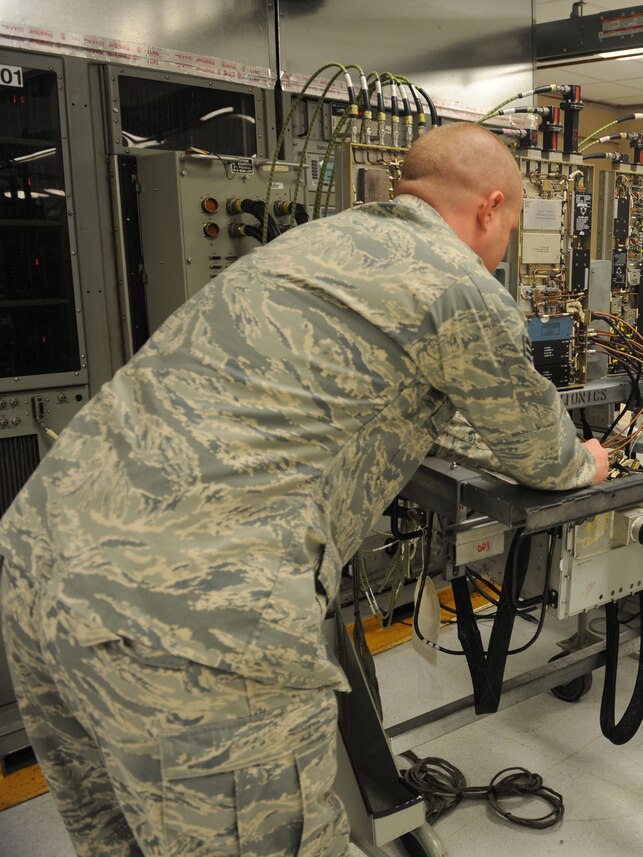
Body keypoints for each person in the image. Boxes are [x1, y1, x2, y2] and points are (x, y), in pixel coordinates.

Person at [0, 122, 609, 857]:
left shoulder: (307, 249)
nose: (503, 251)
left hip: (40, 568)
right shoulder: (459, 284)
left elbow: (349, 394)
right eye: (509, 228)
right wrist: (591, 461)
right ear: (489, 207)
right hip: (194, 617)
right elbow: (545, 453)